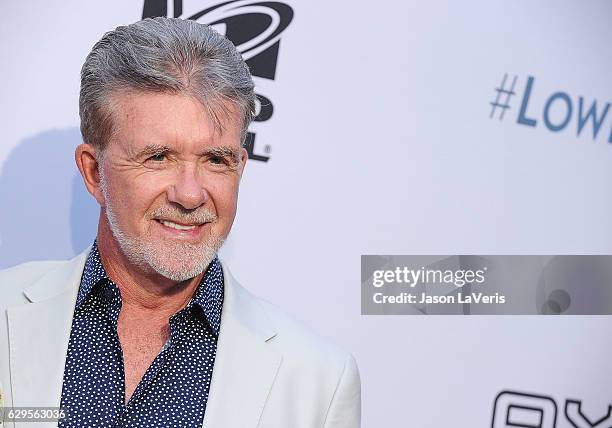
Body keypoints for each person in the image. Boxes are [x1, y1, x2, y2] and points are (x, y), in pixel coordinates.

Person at [0, 17, 360, 428]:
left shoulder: (318, 381)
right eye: (158, 157)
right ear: (94, 172)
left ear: (240, 168)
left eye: (215, 160)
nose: (189, 195)